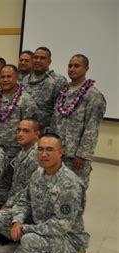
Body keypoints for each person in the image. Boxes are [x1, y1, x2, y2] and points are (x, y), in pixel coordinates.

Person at [0, 133, 89, 253]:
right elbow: (24, 201)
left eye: (50, 150)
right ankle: (37, 249)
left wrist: (26, 229)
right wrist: (17, 221)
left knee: (29, 240)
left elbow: (61, 225)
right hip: (40, 227)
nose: (43, 154)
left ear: (61, 152)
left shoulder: (69, 184)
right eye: (40, 149)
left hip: (67, 236)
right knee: (1, 221)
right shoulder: (38, 174)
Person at [50, 54, 106, 190]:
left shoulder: (93, 95)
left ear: (86, 69)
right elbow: (55, 120)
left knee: (74, 191)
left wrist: (82, 155)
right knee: (54, 189)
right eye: (70, 66)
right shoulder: (63, 91)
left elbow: (92, 128)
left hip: (75, 156)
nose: (72, 69)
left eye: (77, 66)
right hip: (58, 152)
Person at [0, 65, 38, 158]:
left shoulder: (26, 100)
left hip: (16, 152)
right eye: (2, 77)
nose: (5, 80)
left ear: (16, 78)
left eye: (9, 77)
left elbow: (31, 129)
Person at [22, 47, 68, 131]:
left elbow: (59, 112)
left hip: (46, 132)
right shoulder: (25, 80)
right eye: (35, 57)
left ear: (49, 62)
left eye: (42, 58)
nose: (38, 60)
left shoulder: (58, 80)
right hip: (26, 131)